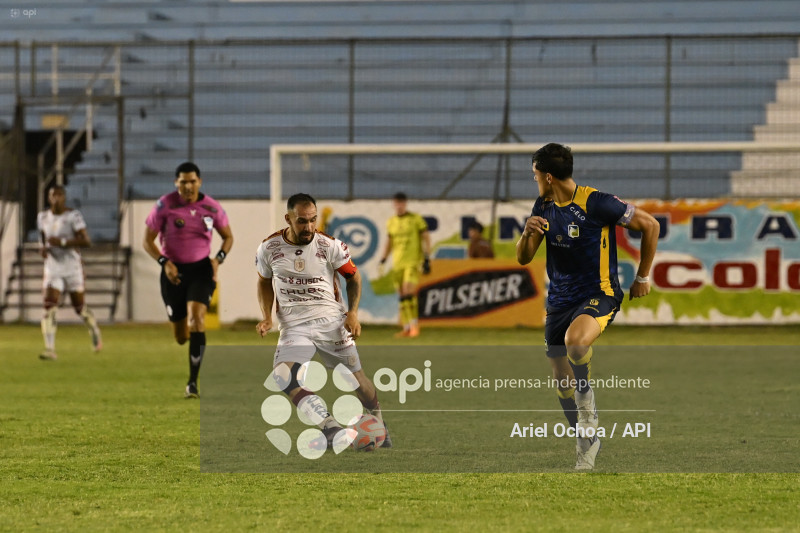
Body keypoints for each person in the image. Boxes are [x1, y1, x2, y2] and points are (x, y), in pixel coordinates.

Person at [516, 143, 659, 471]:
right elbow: (524, 257)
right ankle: (586, 438)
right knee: (561, 385)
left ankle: (588, 406)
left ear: (548, 176)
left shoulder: (598, 203)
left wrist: (643, 276)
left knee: (576, 343)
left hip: (600, 293)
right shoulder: (543, 204)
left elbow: (650, 226)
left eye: (535, 175)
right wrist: (527, 233)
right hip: (559, 302)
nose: (535, 181)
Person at [256, 193, 391, 448]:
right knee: (283, 377)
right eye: (302, 221)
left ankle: (379, 423)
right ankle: (329, 427)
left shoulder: (330, 246)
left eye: (312, 220)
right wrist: (266, 317)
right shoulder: (269, 248)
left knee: (357, 381)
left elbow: (354, 277)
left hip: (331, 323)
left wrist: (353, 313)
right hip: (294, 326)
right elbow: (264, 282)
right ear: (288, 219)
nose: (308, 227)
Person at [143, 162, 234, 399]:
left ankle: (192, 382)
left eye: (192, 181)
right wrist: (164, 263)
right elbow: (147, 241)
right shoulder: (164, 205)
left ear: (199, 182)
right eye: (183, 181)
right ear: (176, 183)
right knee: (182, 336)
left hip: (201, 270)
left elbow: (228, 237)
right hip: (173, 272)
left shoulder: (212, 208)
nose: (188, 186)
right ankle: (190, 367)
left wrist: (218, 260)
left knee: (197, 319)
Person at [36, 185, 102, 360]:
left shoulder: (73, 216)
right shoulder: (43, 217)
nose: (56, 198)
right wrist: (42, 249)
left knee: (79, 307)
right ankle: (50, 349)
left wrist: (62, 242)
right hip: (53, 267)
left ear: (64, 197)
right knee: (49, 306)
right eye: (52, 195)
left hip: (72, 267)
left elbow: (86, 241)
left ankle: (94, 329)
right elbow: (42, 237)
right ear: (49, 198)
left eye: (59, 195)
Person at [378, 192, 431, 338]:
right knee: (401, 295)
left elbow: (426, 237)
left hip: (413, 261)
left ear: (405, 204)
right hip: (398, 263)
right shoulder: (392, 221)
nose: (399, 206)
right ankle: (407, 328)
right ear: (394, 204)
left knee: (408, 291)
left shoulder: (415, 219)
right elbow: (389, 242)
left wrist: (427, 257)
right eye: (397, 203)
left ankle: (415, 326)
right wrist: (383, 258)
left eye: (401, 203)